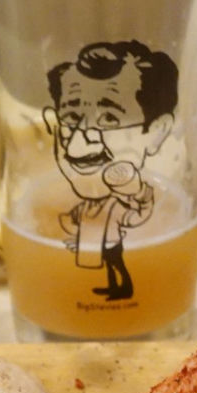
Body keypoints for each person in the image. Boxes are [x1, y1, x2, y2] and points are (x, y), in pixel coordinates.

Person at [43, 40, 177, 302]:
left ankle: (123, 288)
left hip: (161, 333)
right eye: (70, 117)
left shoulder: (122, 201)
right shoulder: (90, 205)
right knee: (111, 263)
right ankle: (116, 288)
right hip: (44, 332)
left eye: (109, 119)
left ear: (157, 132)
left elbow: (139, 213)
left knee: (115, 262)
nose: (80, 142)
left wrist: (135, 190)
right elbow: (73, 219)